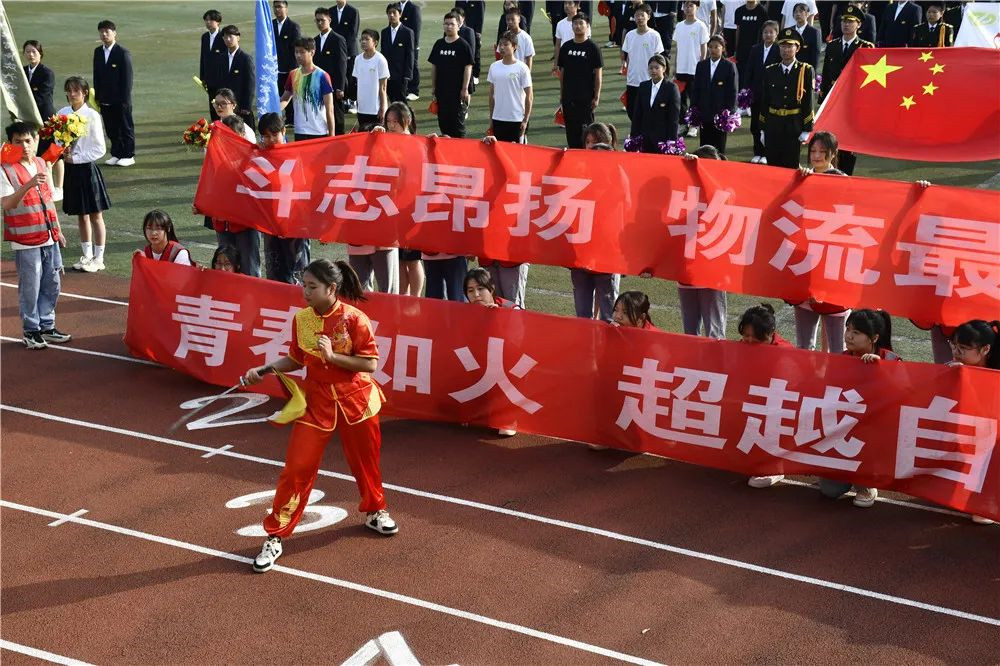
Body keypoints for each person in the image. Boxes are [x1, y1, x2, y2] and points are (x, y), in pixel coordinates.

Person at [243, 259, 397, 573]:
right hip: (317, 401)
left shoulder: (355, 319)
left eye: (312, 287)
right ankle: (275, 535)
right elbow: (295, 358)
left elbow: (370, 364)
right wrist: (264, 369)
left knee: (366, 462)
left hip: (357, 400)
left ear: (331, 288)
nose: (305, 292)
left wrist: (332, 356)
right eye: (304, 285)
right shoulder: (301, 319)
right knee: (296, 467)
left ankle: (375, 511)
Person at [2, 121, 70, 350]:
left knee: (52, 282)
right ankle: (31, 330)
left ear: (35, 141)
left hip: (48, 235)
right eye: (18, 142)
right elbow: (7, 204)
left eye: (28, 141)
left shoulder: (41, 162)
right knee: (31, 286)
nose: (24, 146)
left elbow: (48, 200)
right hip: (26, 239)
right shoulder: (5, 169)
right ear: (10, 144)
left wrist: (58, 230)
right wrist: (29, 184)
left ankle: (47, 326)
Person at [788, 132, 851, 352]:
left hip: (832, 266)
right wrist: (799, 183)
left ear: (833, 154)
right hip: (805, 262)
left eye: (822, 152)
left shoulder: (844, 182)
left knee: (837, 349)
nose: (816, 156)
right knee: (804, 346)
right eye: (813, 151)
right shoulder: (802, 178)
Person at [946, 320, 998, 525]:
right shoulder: (954, 368)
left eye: (963, 348)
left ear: (985, 349)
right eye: (954, 345)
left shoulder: (995, 375)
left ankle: (986, 501)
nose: (956, 352)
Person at [58, 77, 111, 273]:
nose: (72, 94)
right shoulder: (62, 113)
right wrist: (62, 150)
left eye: (76, 91)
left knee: (96, 215)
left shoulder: (92, 115)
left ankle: (99, 258)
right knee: (81, 215)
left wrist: (76, 158)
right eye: (69, 90)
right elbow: (57, 140)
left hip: (87, 169)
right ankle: (87, 256)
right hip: (71, 171)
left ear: (85, 93)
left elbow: (100, 149)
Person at [675, 146, 729, 338]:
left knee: (715, 334)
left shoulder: (725, 192)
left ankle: (716, 360)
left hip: (712, 273)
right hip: (687, 273)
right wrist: (685, 166)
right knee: (690, 334)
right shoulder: (684, 191)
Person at [819, 6, 872, 175]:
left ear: (858, 25)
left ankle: (846, 175)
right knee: (831, 140)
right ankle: (830, 173)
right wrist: (823, 99)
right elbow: (826, 73)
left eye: (850, 21)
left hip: (853, 101)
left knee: (849, 144)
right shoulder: (833, 45)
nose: (846, 24)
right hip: (834, 100)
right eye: (844, 21)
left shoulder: (864, 48)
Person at [758, 28, 814, 169]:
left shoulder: (805, 70)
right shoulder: (770, 70)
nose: (785, 50)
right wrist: (763, 128)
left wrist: (807, 128)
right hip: (773, 124)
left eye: (790, 46)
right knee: (772, 165)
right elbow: (765, 101)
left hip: (793, 125)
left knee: (791, 165)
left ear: (797, 48)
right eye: (782, 46)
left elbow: (808, 100)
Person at [23, 40, 63, 201]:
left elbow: (43, 96)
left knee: (53, 153)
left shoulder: (47, 73)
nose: (31, 55)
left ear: (40, 53)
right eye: (27, 51)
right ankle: (44, 186)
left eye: (34, 51)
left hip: (46, 118)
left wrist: (26, 105)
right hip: (28, 119)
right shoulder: (23, 72)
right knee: (36, 154)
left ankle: (59, 187)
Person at [92, 20, 135, 167]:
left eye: (107, 31)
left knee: (125, 128)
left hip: (121, 100)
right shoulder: (98, 52)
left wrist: (125, 100)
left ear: (114, 33)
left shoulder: (122, 53)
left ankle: (129, 155)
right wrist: (98, 97)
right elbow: (96, 75)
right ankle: (117, 154)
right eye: (101, 32)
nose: (104, 34)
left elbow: (127, 79)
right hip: (105, 98)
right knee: (111, 129)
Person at [557, 13, 603, 149]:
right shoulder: (566, 47)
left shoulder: (593, 48)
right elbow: (562, 73)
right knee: (571, 131)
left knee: (587, 133)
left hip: (586, 98)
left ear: (587, 26)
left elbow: (598, 74)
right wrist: (562, 94)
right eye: (575, 24)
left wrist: (596, 97)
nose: (577, 26)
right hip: (569, 98)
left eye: (581, 23)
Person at [280, 37, 336, 141]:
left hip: (319, 131)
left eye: (302, 52)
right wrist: (274, 109)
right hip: (300, 131)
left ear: (312, 52)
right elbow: (285, 99)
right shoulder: (293, 74)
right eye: (296, 52)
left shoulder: (322, 76)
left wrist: (332, 136)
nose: (298, 55)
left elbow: (330, 109)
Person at [691, 34, 738, 154]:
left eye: (716, 47)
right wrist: (694, 108)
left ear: (723, 48)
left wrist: (730, 112)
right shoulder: (701, 65)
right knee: (704, 148)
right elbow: (696, 88)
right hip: (704, 112)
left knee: (719, 148)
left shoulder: (729, 66)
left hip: (721, 114)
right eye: (710, 47)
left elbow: (733, 91)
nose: (713, 49)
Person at [429, 13, 474, 138]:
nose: (449, 27)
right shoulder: (439, 44)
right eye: (446, 24)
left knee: (458, 126)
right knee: (443, 123)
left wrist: (465, 88)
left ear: (458, 26)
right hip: (442, 92)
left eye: (452, 24)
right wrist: (433, 87)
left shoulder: (463, 45)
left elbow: (468, 67)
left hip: (457, 92)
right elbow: (434, 67)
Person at [620, 4, 664, 119]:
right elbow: (628, 56)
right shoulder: (630, 35)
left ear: (648, 16)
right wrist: (628, 72)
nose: (639, 18)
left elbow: (658, 58)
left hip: (649, 80)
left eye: (642, 15)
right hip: (632, 81)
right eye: (637, 15)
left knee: (648, 112)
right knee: (631, 111)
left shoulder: (654, 35)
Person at [629, 54, 680, 153]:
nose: (653, 71)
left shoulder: (671, 88)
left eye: (657, 68)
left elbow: (673, 118)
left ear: (664, 69)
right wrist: (633, 137)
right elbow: (637, 114)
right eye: (651, 68)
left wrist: (672, 142)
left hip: (663, 140)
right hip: (645, 138)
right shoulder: (643, 86)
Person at [488, 31, 533, 143]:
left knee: (517, 152)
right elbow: (491, 95)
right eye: (500, 44)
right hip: (498, 118)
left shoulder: (522, 68)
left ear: (514, 47)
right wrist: (491, 118)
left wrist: (525, 120)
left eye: (506, 44)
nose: (502, 47)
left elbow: (529, 96)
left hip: (516, 119)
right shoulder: (494, 67)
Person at [744, 20, 779, 163]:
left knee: (768, 125)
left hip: (771, 96)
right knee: (755, 125)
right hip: (756, 94)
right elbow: (749, 70)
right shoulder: (755, 49)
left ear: (776, 34)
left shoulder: (779, 50)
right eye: (765, 32)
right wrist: (746, 90)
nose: (768, 35)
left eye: (771, 32)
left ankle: (766, 154)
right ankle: (757, 152)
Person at [674, 1, 709, 138]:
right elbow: (678, 48)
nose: (688, 9)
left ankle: (694, 124)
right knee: (681, 99)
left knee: (695, 99)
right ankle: (683, 123)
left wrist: (702, 65)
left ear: (697, 8)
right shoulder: (679, 26)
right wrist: (675, 66)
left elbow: (704, 47)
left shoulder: (701, 26)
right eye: (686, 6)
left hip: (695, 69)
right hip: (681, 69)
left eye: (691, 6)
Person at [314, 7, 350, 136]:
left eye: (322, 20)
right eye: (317, 20)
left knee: (336, 116)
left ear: (329, 20)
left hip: (334, 86)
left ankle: (339, 139)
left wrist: (340, 87)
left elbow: (342, 65)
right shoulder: (315, 41)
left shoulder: (338, 39)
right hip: (318, 86)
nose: (319, 23)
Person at [218, 25, 255, 131]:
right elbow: (221, 81)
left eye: (231, 36)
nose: (228, 39)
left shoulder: (246, 58)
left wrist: (246, 106)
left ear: (238, 37)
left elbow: (250, 84)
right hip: (227, 106)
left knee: (245, 134)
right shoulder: (222, 58)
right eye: (225, 37)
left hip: (241, 108)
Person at [272, 1, 301, 127]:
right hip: (274, 68)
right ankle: (278, 117)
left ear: (286, 9)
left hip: (289, 68)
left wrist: (293, 68)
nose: (277, 9)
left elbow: (295, 49)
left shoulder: (293, 27)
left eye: (280, 7)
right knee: (277, 93)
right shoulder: (270, 25)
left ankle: (291, 118)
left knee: (289, 94)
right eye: (275, 7)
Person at [353, 30, 390, 129]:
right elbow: (358, 83)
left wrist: (383, 107)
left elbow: (383, 87)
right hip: (362, 109)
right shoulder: (358, 59)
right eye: (362, 39)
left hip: (376, 109)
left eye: (367, 39)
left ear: (375, 42)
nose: (363, 42)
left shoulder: (380, 60)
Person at [381, 3, 416, 103]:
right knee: (391, 100)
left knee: (401, 101)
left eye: (394, 13)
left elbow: (410, 54)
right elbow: (383, 52)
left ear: (400, 14)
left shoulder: (407, 32)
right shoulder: (384, 32)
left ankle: (408, 114)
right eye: (389, 13)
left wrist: (408, 75)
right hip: (387, 74)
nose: (391, 15)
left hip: (401, 75)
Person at [331, 0, 361, 110]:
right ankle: (343, 100)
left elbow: (353, 33)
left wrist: (345, 51)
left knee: (351, 76)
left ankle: (353, 100)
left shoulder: (353, 11)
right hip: (336, 50)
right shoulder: (331, 11)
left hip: (349, 50)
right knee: (339, 75)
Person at [734, 1, 768, 85]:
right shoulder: (739, 11)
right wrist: (736, 48)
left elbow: (764, 30)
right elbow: (738, 30)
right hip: (742, 49)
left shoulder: (762, 11)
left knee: (754, 74)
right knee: (741, 75)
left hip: (756, 49)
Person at [200, 10, 226, 121]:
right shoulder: (205, 37)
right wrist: (202, 76)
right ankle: (215, 125)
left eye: (211, 20)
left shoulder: (223, 37)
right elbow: (203, 58)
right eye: (206, 20)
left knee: (222, 105)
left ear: (218, 22)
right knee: (212, 105)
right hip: (209, 79)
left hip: (221, 79)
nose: (208, 22)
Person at [399, 0, 423, 99]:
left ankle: (414, 90)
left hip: (411, 43)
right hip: (399, 42)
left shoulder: (414, 8)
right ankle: (404, 88)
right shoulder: (396, 6)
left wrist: (414, 45)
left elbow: (416, 28)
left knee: (412, 65)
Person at [788, 2, 821, 70]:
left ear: (807, 14)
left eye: (801, 11)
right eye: (796, 12)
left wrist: (813, 72)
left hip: (806, 69)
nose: (798, 14)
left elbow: (815, 55)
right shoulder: (790, 31)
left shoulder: (814, 32)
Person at [502, 6, 536, 71]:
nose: (510, 22)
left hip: (520, 72)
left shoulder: (526, 37)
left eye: (512, 19)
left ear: (519, 20)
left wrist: (527, 74)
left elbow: (529, 58)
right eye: (507, 19)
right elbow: (501, 55)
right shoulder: (505, 36)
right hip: (507, 71)